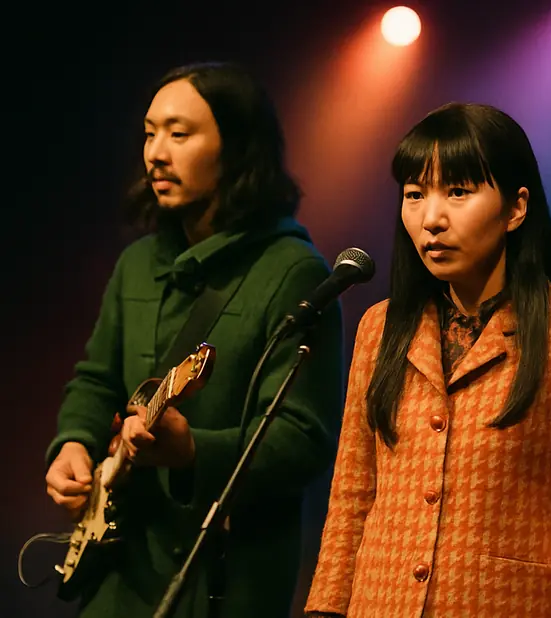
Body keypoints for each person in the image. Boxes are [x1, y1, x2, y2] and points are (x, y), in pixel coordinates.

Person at [305, 102, 551, 617]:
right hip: (379, 602)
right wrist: (325, 609)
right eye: (414, 195)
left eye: (458, 192)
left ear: (516, 208)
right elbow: (351, 495)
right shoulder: (380, 327)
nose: (431, 218)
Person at [43, 62, 344, 618]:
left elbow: (304, 441)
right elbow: (96, 378)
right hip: (121, 564)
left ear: (238, 147)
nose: (155, 153)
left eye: (179, 134)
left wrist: (192, 451)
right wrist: (74, 444)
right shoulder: (138, 263)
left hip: (222, 580)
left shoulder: (295, 272)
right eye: (150, 132)